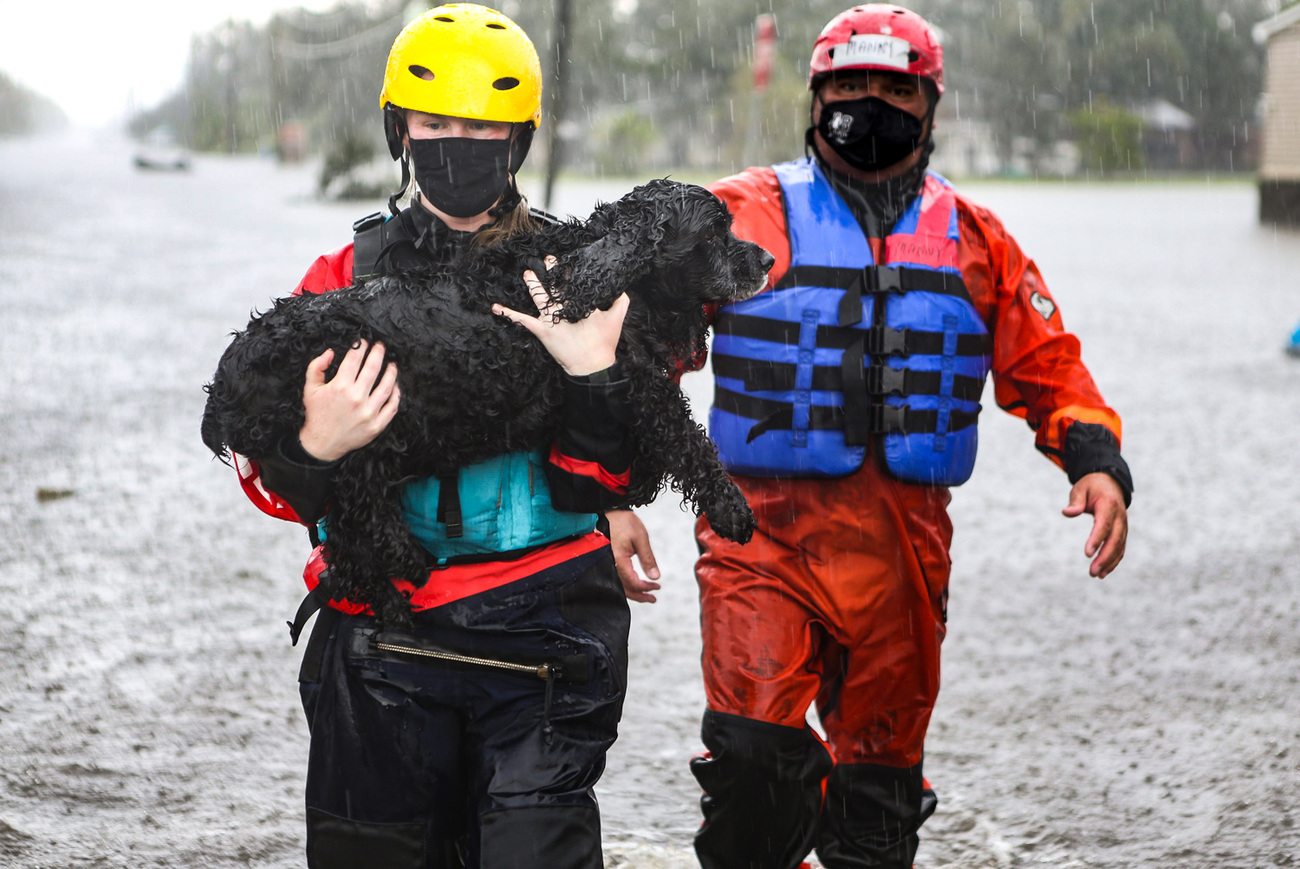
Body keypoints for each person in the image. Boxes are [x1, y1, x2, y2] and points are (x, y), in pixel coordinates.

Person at [607, 5, 1133, 867]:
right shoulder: (739, 215)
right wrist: (611, 490)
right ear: (816, 100)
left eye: (894, 90)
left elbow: (1047, 364)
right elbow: (635, 356)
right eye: (850, 87)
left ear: (929, 105)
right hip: (760, 541)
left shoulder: (977, 241)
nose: (870, 105)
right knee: (750, 765)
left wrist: (1095, 460)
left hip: (905, 555)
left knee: (880, 807)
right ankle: (783, 811)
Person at [230, 6, 634, 868]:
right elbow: (259, 471)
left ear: (518, 139)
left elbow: (612, 474)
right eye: (437, 122)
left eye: (484, 126)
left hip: (545, 636)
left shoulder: (578, 274)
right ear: (399, 132)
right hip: (381, 643)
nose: (460, 144)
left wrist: (595, 379)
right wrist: (316, 446)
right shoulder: (338, 282)